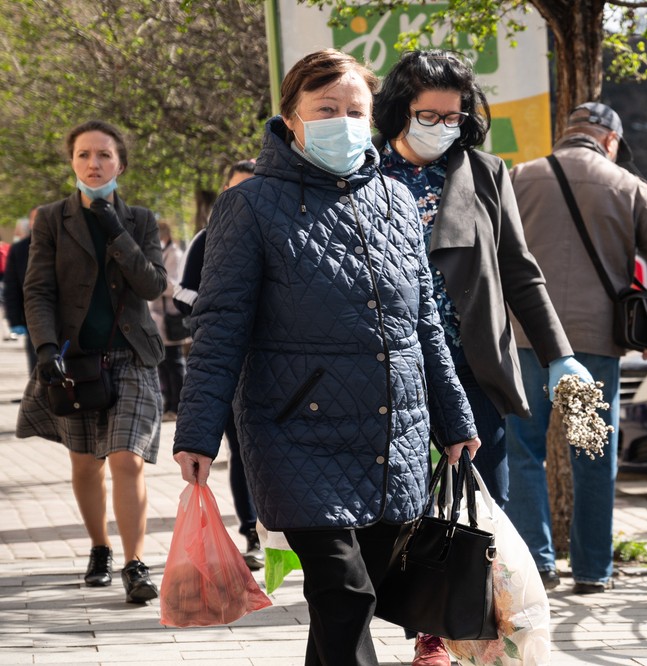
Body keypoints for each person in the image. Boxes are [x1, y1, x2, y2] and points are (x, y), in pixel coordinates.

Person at [171, 49, 480, 666]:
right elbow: (220, 325)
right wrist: (198, 432)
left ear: (373, 120)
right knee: (343, 592)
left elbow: (423, 324)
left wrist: (455, 419)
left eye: (354, 110)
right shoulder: (249, 206)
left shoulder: (395, 200)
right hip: (296, 430)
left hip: (393, 429)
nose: (343, 122)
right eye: (325, 109)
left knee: (353, 600)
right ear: (291, 121)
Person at [373, 49, 593, 665]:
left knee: (473, 510)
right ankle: (403, 621)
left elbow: (521, 275)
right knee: (406, 504)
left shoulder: (485, 173)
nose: (441, 126)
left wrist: (559, 355)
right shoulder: (364, 172)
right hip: (390, 367)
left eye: (453, 116)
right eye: (427, 114)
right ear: (398, 109)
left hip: (473, 370)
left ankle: (446, 636)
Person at [505, 102, 647, 595]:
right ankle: (593, 571)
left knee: (523, 452)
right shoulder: (630, 187)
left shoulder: (518, 176)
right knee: (591, 454)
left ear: (566, 134)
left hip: (525, 337)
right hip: (592, 347)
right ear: (610, 141)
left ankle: (537, 566)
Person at [15, 120, 167, 604]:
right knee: (85, 465)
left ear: (120, 163)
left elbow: (152, 286)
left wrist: (114, 229)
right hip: (75, 361)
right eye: (83, 155)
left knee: (127, 458)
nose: (93, 163)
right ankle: (99, 548)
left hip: (133, 356)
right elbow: (38, 289)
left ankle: (134, 562)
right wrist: (43, 349)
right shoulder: (52, 220)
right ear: (72, 163)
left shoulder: (139, 219)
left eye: (103, 155)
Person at [172, 158, 264, 570]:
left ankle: (278, 531)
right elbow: (182, 297)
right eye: (236, 189)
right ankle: (251, 532)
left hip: (278, 370)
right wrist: (221, 305)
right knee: (241, 454)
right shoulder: (207, 238)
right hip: (228, 365)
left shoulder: (280, 230)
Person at [149, 220, 188, 421]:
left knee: (174, 363)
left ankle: (178, 405)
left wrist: (154, 282)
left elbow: (174, 285)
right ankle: (169, 404)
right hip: (157, 318)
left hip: (170, 318)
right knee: (163, 364)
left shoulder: (175, 255)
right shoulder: (159, 254)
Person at [4, 206, 39, 373]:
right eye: (35, 219)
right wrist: (14, 319)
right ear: (30, 222)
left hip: (64, 318)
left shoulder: (64, 245)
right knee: (37, 362)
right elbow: (12, 286)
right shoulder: (19, 249)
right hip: (33, 315)